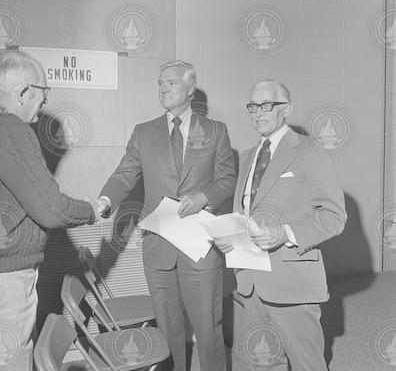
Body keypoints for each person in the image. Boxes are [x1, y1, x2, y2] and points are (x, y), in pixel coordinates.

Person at [98, 60, 236, 371]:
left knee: (207, 329)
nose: (163, 88)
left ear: (190, 88)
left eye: (171, 83)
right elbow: (124, 175)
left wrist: (205, 196)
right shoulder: (144, 132)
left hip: (200, 248)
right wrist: (105, 200)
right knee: (167, 331)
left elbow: (227, 179)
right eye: (160, 83)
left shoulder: (216, 131)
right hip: (158, 246)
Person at [214, 79, 347, 371]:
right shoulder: (248, 156)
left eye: (267, 105)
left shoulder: (311, 152)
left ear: (286, 110)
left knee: (306, 363)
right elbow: (246, 214)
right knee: (259, 361)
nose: (258, 112)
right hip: (249, 282)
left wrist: (286, 233)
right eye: (253, 106)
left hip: (291, 281)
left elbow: (335, 216)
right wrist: (231, 239)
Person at [0, 50, 99, 371]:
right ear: (22, 92)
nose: (44, 102)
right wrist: (92, 210)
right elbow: (51, 209)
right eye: (44, 92)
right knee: (13, 358)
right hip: (9, 278)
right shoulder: (12, 128)